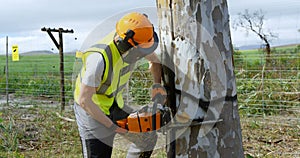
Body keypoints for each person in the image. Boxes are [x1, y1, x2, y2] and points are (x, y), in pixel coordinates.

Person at [73, 12, 166, 158]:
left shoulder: (137, 42)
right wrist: (112, 126)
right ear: (125, 45)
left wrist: (157, 87)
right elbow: (84, 101)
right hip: (92, 109)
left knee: (146, 138)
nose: (144, 54)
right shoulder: (98, 60)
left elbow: (154, 61)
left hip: (115, 105)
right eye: (141, 51)